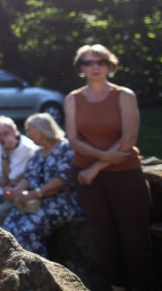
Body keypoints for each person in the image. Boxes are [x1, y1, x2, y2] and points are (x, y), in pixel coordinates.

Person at [65, 45, 157, 290]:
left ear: (109, 65)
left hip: (124, 175)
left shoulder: (124, 95)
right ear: (81, 67)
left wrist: (96, 166)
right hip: (87, 179)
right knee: (103, 237)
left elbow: (129, 138)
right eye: (88, 62)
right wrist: (102, 158)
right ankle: (117, 287)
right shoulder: (73, 99)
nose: (95, 67)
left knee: (135, 238)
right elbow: (73, 139)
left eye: (100, 62)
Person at [1, 113, 82, 258]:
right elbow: (28, 177)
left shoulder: (66, 148)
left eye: (30, 130)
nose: (28, 134)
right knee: (8, 225)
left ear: (43, 130)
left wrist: (33, 194)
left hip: (61, 202)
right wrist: (15, 191)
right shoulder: (38, 153)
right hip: (37, 201)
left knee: (28, 230)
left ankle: (36, 266)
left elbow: (62, 180)